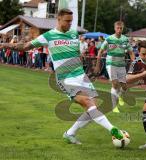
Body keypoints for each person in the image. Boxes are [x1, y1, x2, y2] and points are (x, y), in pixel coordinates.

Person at [0, 8, 123, 144]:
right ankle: (114, 130)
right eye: (67, 21)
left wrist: (88, 71)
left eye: (71, 21)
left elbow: (77, 55)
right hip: (65, 78)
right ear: (58, 19)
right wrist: (4, 45)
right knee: (88, 103)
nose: (70, 24)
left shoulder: (73, 34)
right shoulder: (49, 36)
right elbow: (24, 47)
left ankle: (70, 133)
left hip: (81, 76)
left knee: (93, 108)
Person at [95, 21, 135, 113]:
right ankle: (114, 106)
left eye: (121, 28)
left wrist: (134, 62)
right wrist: (97, 65)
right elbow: (100, 51)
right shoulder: (109, 39)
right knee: (115, 84)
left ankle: (120, 96)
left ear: (123, 28)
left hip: (121, 65)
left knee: (124, 87)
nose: (119, 30)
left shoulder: (125, 39)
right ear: (115, 28)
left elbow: (131, 52)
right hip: (111, 64)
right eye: (118, 28)